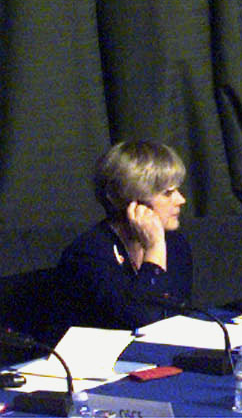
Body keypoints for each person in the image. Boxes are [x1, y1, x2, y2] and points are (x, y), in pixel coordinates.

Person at [58, 140, 194, 331]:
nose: (181, 200)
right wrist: (154, 250)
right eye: (168, 193)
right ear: (134, 202)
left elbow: (174, 318)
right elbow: (143, 321)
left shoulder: (174, 243)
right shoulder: (88, 255)